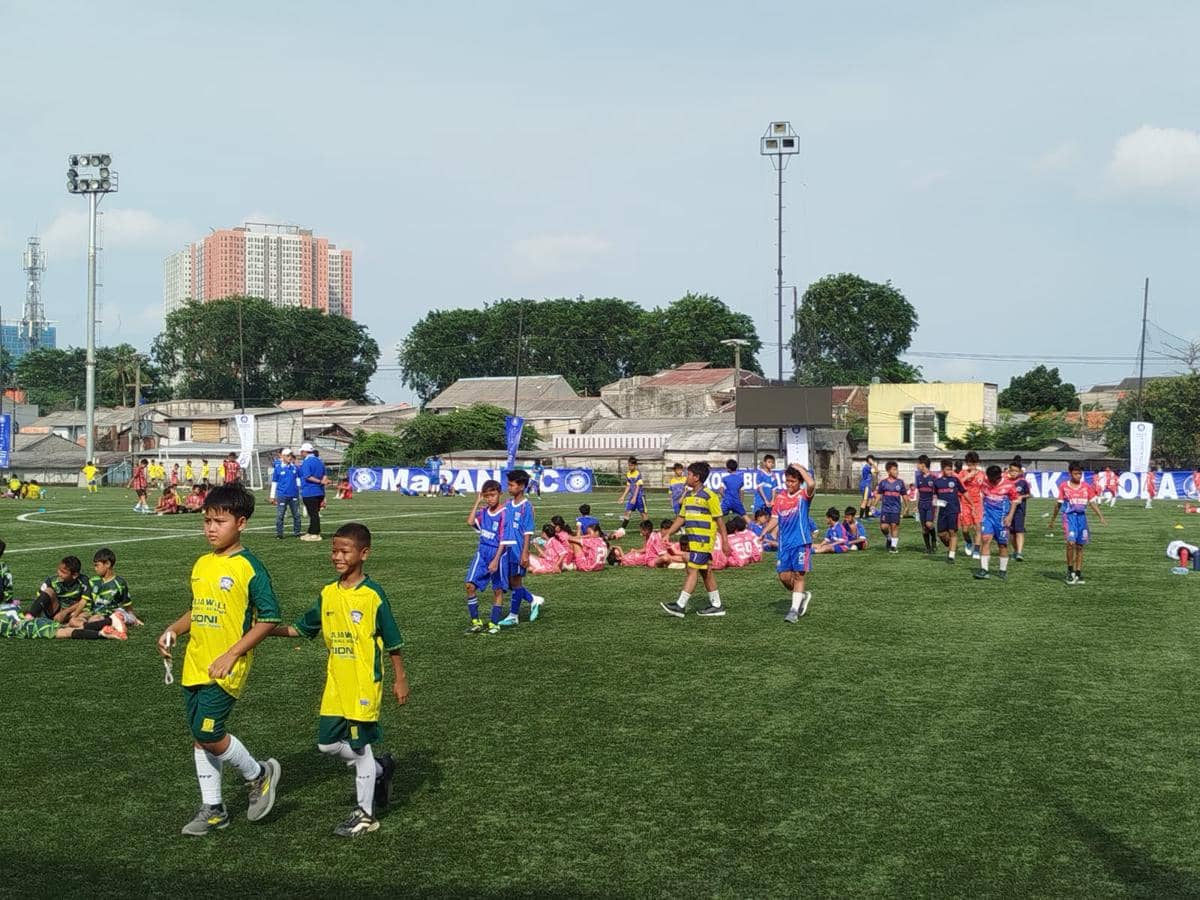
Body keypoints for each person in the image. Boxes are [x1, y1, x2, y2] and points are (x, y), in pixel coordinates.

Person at [155, 483, 283, 836]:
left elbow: (269, 617)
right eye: (207, 521)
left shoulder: (249, 567)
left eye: (220, 521)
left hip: (227, 666)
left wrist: (232, 653)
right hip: (195, 663)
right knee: (200, 738)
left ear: (241, 523)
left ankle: (259, 774)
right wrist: (173, 630)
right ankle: (214, 809)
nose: (211, 528)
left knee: (208, 733)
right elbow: (198, 611)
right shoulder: (201, 564)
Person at [268, 523, 407, 838]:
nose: (337, 557)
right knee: (327, 743)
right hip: (336, 683)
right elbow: (301, 629)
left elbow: (394, 640)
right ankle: (381, 770)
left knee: (360, 749)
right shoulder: (328, 593)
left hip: (362, 684)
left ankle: (365, 815)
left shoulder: (373, 595)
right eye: (334, 551)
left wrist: (401, 678)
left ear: (364, 554)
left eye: (344, 551)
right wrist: (263, 630)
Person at [660, 462, 732, 619]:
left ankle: (680, 605)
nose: (687, 477)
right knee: (705, 572)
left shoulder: (709, 496)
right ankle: (717, 605)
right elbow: (681, 518)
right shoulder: (689, 496)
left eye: (689, 474)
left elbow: (719, 520)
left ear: (697, 477)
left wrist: (725, 541)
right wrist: (669, 533)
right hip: (694, 541)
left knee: (692, 569)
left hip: (703, 541)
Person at [762, 464, 817, 623]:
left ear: (799, 481)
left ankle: (793, 611)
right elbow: (774, 518)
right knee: (784, 577)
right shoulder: (780, 497)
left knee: (799, 575)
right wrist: (765, 531)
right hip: (784, 544)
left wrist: (800, 468)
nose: (789, 484)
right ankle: (802, 596)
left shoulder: (804, 496)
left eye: (793, 481)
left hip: (801, 542)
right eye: (787, 481)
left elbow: (812, 484)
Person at [1051, 461, 1108, 585]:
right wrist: (1053, 519)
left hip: (1082, 519)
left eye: (1080, 474)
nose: (1078, 476)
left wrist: (1101, 516)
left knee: (1080, 546)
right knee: (1071, 543)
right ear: (1070, 473)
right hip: (1069, 517)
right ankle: (1070, 571)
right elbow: (1058, 504)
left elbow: (1092, 502)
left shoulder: (1086, 487)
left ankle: (1078, 573)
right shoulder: (1064, 486)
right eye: (1076, 473)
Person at [464, 481, 509, 634]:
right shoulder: (484, 512)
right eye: (487, 496)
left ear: (500, 494)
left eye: (493, 495)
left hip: (498, 553)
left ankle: (494, 623)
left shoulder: (504, 513)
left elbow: (503, 539)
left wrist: (496, 560)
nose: (490, 498)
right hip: (482, 552)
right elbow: (470, 522)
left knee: (497, 590)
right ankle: (476, 622)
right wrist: (477, 501)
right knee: (469, 585)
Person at [498, 469, 541, 627]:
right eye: (508, 485)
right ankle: (532, 599)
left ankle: (513, 615)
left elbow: (528, 531)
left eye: (512, 485)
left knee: (515, 582)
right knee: (509, 583)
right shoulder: (508, 504)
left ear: (521, 486)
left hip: (518, 549)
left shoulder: (526, 506)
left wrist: (525, 553)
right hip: (506, 549)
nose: (509, 488)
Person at [974, 465, 1020, 580]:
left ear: (998, 477)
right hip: (988, 517)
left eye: (993, 479)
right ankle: (984, 570)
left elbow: (1015, 500)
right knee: (985, 540)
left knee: (1002, 544)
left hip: (1002, 519)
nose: (991, 481)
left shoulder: (1009, 485)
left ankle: (1002, 570)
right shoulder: (984, 482)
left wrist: (1010, 516)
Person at [26, 556, 93, 623]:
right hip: (56, 611)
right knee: (49, 591)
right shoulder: (52, 580)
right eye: (59, 570)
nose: (59, 574)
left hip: (74, 611)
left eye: (63, 572)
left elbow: (84, 601)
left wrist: (66, 612)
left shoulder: (84, 581)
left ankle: (71, 627)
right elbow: (40, 598)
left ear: (74, 575)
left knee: (86, 615)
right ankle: (29, 618)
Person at [934, 459, 967, 563]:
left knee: (952, 531)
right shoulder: (937, 482)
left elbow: (964, 492)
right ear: (942, 469)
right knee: (941, 534)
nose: (950, 471)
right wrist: (936, 503)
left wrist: (972, 504)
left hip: (953, 510)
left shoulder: (955, 480)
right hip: (943, 511)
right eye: (948, 469)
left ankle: (951, 556)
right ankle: (952, 546)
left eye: (951, 469)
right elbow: (934, 497)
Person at [957, 452, 986, 559]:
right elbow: (957, 483)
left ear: (977, 463)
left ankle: (977, 550)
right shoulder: (963, 473)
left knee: (978, 527)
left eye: (973, 464)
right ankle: (968, 542)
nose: (971, 467)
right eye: (969, 464)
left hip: (977, 503)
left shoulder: (982, 474)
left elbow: (985, 487)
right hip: (965, 502)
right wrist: (968, 476)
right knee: (965, 529)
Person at [874, 461, 906, 553]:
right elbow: (879, 495)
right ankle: (888, 538)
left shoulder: (900, 482)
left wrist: (906, 506)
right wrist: (873, 505)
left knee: (894, 526)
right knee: (883, 527)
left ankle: (893, 547)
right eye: (894, 469)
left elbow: (904, 495)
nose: (897, 471)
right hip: (885, 509)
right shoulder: (883, 483)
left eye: (897, 469)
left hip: (896, 509)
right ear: (888, 471)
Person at [299, 442, 327, 542]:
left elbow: (307, 476)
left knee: (313, 514)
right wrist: (322, 482)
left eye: (301, 452)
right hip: (319, 492)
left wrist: (318, 481)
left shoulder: (307, 462)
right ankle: (311, 531)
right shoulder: (319, 461)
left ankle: (315, 533)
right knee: (314, 513)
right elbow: (325, 475)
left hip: (310, 491)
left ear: (304, 452)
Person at [270, 450, 300, 539]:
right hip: (282, 495)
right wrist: (272, 496)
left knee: (297, 515)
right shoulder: (278, 468)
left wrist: (299, 491)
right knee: (280, 515)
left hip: (294, 495)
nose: (289, 457)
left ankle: (297, 533)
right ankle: (280, 534)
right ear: (282, 456)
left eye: (290, 455)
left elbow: (298, 480)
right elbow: (274, 482)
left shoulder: (294, 468)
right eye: (287, 455)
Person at [1007, 460, 1031, 561]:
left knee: (1019, 531)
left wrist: (1022, 497)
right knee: (1011, 533)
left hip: (1019, 510)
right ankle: (1016, 551)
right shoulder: (1005, 482)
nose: (1013, 473)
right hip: (1008, 510)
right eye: (1012, 471)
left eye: (1016, 471)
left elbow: (1029, 494)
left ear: (1020, 471)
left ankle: (1020, 553)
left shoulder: (1023, 482)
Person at [914, 455, 938, 553]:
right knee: (924, 528)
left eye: (918, 463)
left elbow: (937, 492)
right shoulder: (918, 477)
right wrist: (916, 505)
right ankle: (928, 548)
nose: (917, 466)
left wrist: (935, 504)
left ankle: (934, 540)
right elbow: (918, 492)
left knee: (929, 524)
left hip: (930, 504)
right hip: (921, 504)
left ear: (923, 465)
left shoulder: (933, 477)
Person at [618, 456, 649, 530]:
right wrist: (623, 496)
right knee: (627, 512)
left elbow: (638, 486)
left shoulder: (638, 474)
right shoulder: (628, 474)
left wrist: (634, 498)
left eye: (631, 465)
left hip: (639, 497)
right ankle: (622, 530)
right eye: (629, 465)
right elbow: (628, 486)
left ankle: (648, 529)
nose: (630, 467)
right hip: (632, 496)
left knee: (643, 514)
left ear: (635, 465)